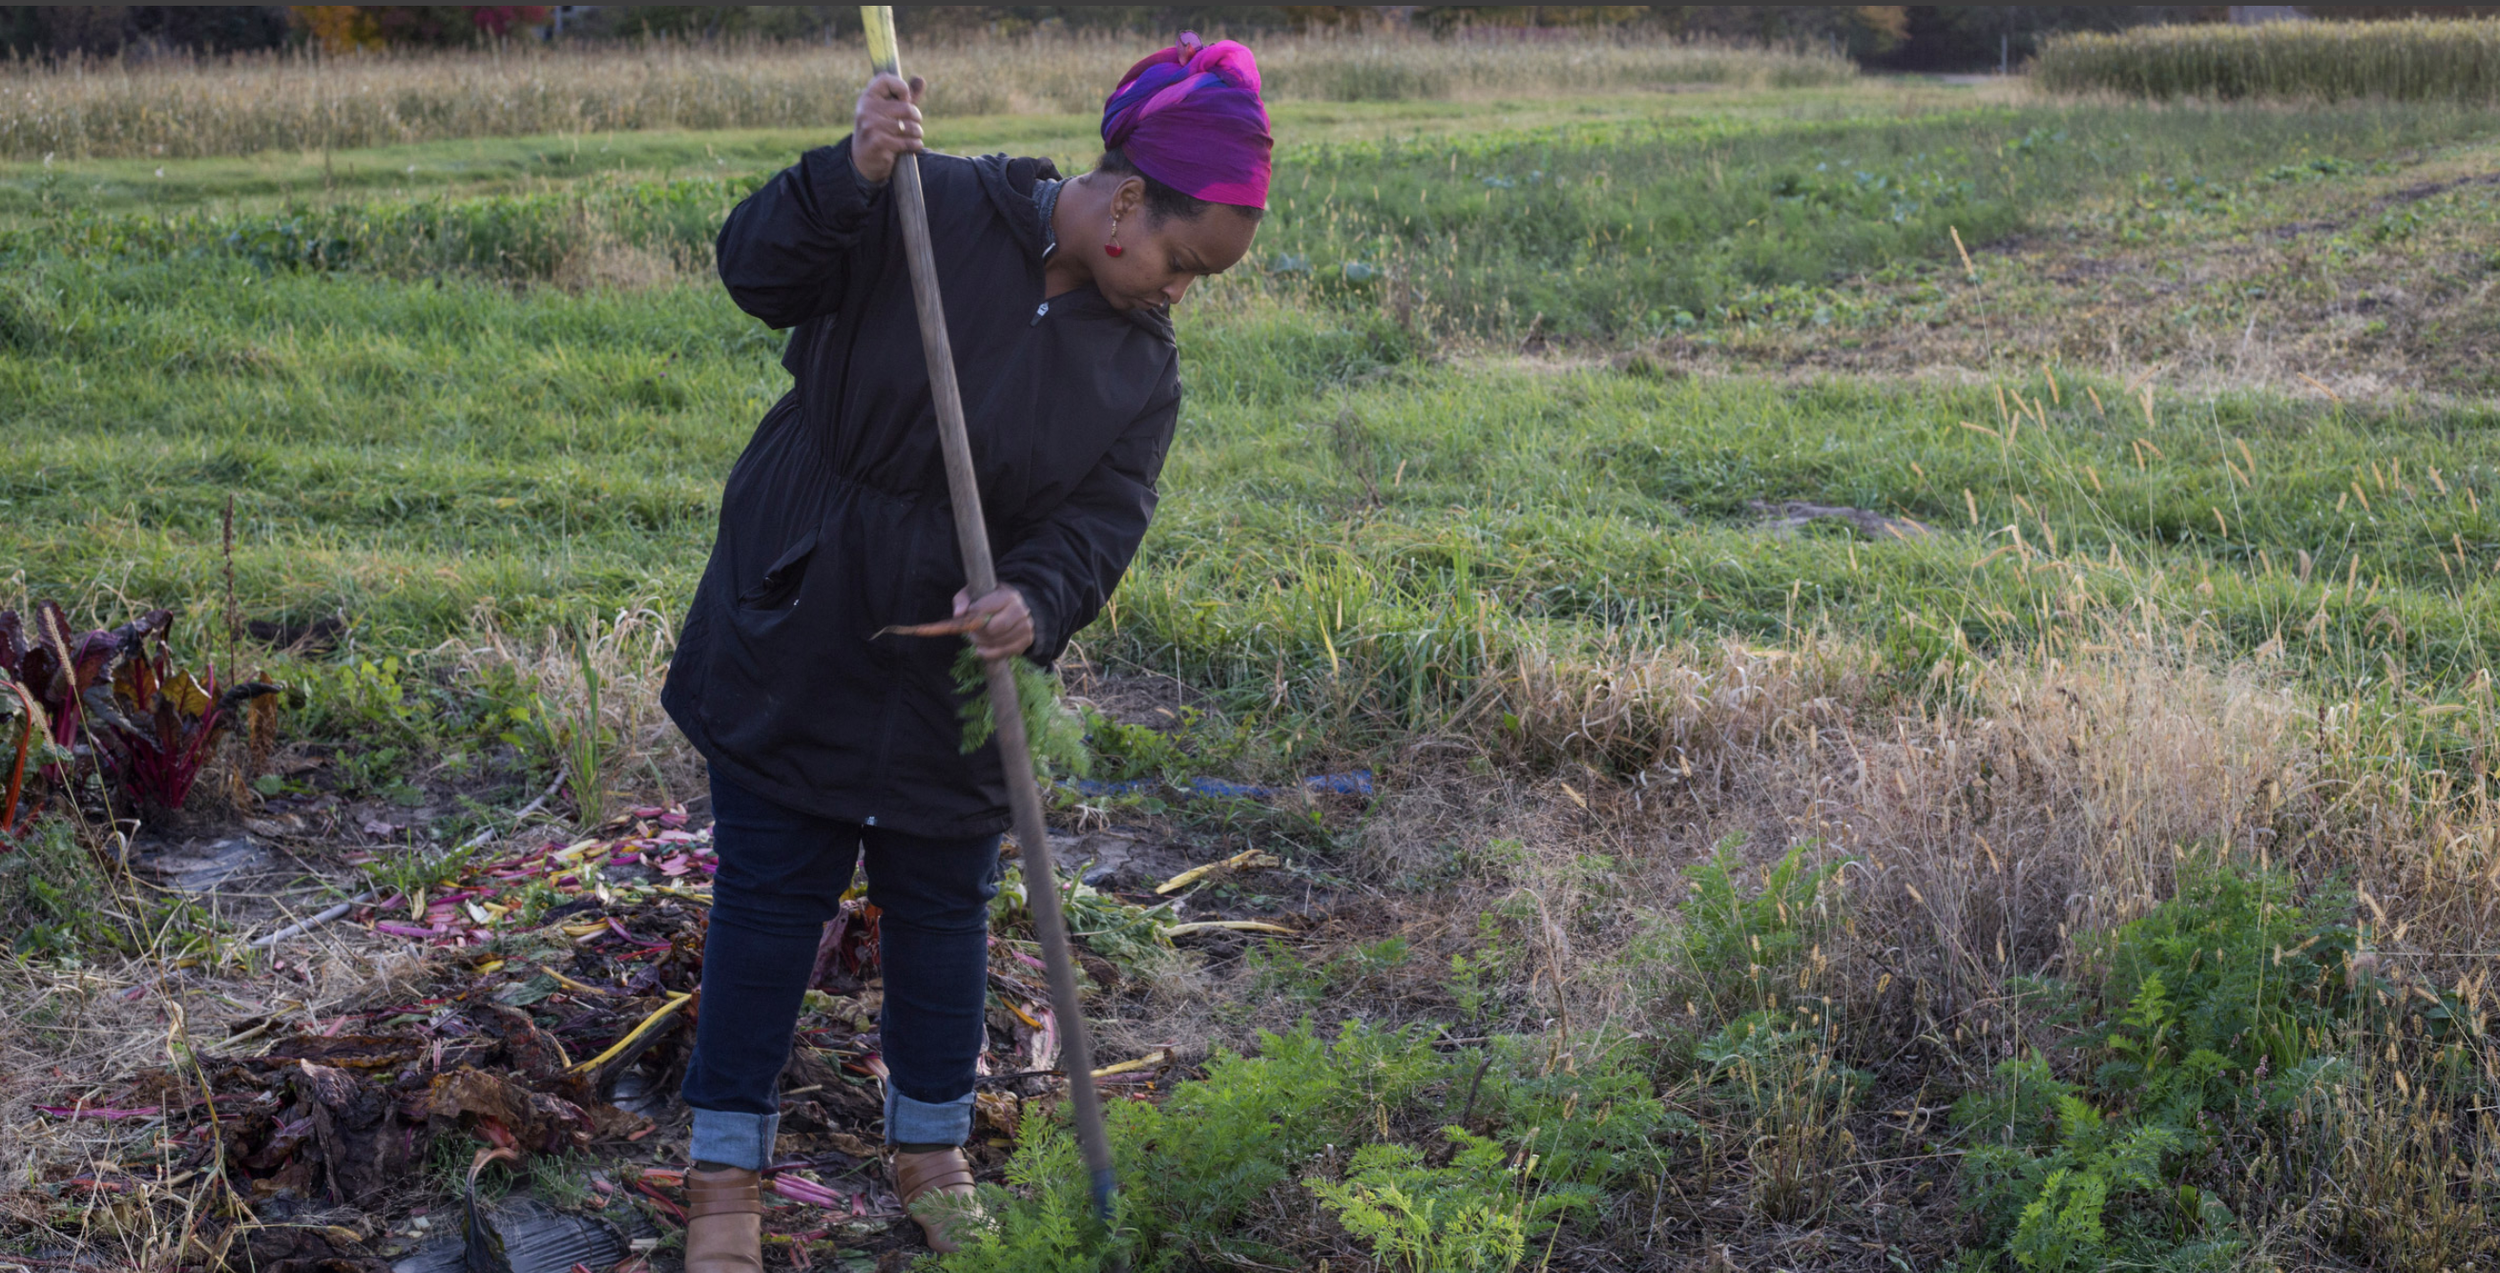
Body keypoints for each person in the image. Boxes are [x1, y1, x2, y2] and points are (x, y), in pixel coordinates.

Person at [659, 33, 1272, 1265]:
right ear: (1128, 201)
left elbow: (1104, 519)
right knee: (772, 899)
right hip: (807, 606)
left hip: (960, 679)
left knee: (944, 903)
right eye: (1181, 260)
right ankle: (726, 1175)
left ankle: (930, 1146)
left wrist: (1035, 601)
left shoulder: (1140, 363)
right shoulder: (930, 206)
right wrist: (851, 174)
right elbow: (754, 271)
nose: (1178, 291)